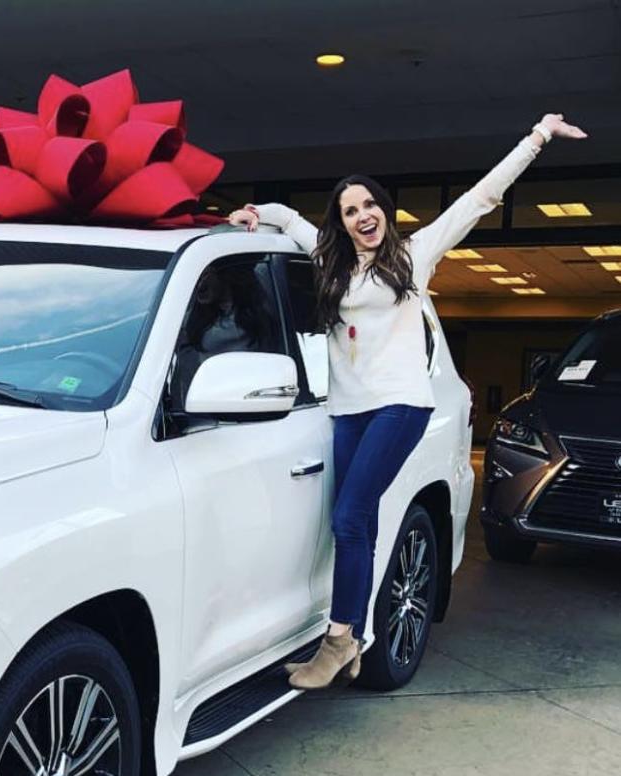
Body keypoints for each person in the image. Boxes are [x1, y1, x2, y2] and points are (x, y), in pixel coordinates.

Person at [227, 113, 587, 689]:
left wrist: (537, 137)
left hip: (400, 405)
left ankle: (340, 640)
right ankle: (357, 638)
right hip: (348, 410)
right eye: (350, 210)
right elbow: (290, 219)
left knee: (347, 518)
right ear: (341, 223)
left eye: (369, 205)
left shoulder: (414, 256)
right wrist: (253, 214)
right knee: (357, 524)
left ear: (383, 209)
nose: (362, 215)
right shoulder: (329, 262)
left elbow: (481, 197)